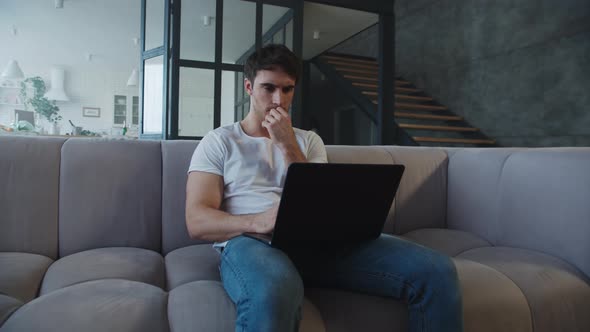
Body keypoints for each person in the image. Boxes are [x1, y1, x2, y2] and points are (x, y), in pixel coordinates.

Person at [185, 44, 463, 332]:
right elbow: (197, 220)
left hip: (320, 244)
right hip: (252, 243)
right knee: (274, 290)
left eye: (287, 89)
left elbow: (317, 199)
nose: (279, 100)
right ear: (248, 87)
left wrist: (286, 143)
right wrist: (259, 221)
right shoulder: (219, 142)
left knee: (436, 271)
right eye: (268, 88)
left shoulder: (309, 141)